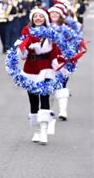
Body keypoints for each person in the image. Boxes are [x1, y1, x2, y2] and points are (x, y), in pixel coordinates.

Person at [17, 8, 61, 145]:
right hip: (30, 68)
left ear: (45, 19)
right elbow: (23, 54)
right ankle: (36, 130)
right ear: (32, 18)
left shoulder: (51, 33)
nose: (37, 18)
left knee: (45, 97)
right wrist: (23, 48)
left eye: (40, 16)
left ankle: (43, 130)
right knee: (33, 100)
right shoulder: (27, 31)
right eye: (35, 16)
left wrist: (58, 65)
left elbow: (55, 51)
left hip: (46, 68)